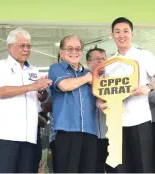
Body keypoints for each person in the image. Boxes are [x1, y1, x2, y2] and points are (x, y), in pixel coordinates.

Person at [97, 17, 155, 173]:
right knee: (120, 169)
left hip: (140, 120)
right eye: (117, 32)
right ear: (112, 35)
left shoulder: (144, 55)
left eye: (126, 31)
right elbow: (102, 93)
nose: (122, 35)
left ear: (132, 34)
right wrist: (101, 104)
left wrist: (148, 87)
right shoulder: (109, 63)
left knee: (143, 167)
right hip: (116, 124)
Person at [0, 28, 52, 173]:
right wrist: (33, 86)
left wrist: (41, 91)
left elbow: (39, 102)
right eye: (22, 46)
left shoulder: (34, 71)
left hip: (29, 136)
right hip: (5, 135)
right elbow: (0, 91)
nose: (26, 49)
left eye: (28, 46)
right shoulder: (0, 66)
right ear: (9, 47)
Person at [48, 35, 98, 173]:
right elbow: (64, 85)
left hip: (90, 132)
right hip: (67, 131)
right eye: (69, 49)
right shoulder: (56, 68)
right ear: (61, 52)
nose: (74, 52)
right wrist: (87, 78)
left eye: (77, 49)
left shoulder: (89, 73)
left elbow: (98, 98)